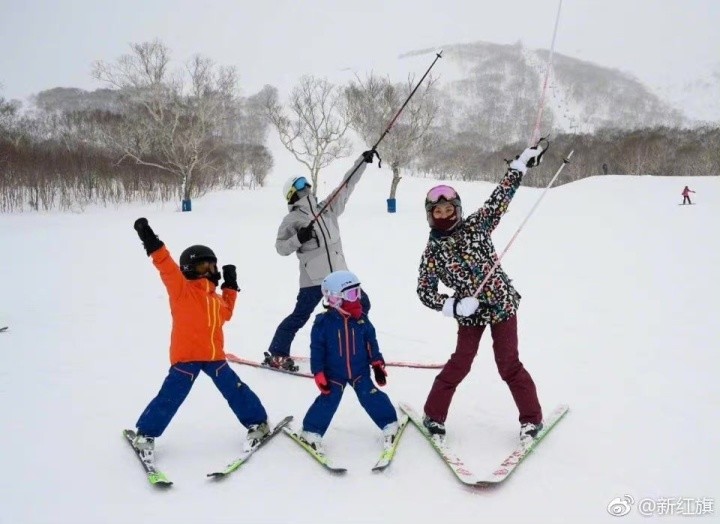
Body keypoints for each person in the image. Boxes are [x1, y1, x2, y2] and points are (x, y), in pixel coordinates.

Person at [416, 144, 548, 444]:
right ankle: (433, 416)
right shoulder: (432, 253)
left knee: (508, 364)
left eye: (449, 209)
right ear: (430, 214)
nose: (444, 214)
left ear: (458, 210)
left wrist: (519, 167)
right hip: (470, 313)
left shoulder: (477, 225)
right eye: (438, 210)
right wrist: (453, 305)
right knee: (460, 362)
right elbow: (424, 291)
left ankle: (531, 420)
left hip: (502, 305)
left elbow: (499, 199)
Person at [130, 217, 270, 460]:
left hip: (215, 358)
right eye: (204, 267)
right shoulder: (181, 291)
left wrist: (231, 286)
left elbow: (226, 312)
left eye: (213, 267)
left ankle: (258, 423)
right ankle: (146, 434)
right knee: (170, 397)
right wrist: (150, 241)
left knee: (236, 390)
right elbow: (166, 266)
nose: (210, 272)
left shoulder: (215, 300)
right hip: (186, 359)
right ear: (189, 270)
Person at [265, 150, 376, 371]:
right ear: (291, 194)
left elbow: (346, 185)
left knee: (362, 305)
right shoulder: (292, 219)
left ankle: (352, 348)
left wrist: (361, 161)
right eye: (299, 184)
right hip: (313, 280)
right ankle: (277, 354)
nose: (306, 186)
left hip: (341, 277)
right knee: (300, 316)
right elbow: (280, 248)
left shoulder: (327, 210)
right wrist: (299, 237)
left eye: (306, 182)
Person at [297, 270, 399, 453]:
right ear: (335, 299)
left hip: (360, 371)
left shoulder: (361, 320)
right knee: (328, 401)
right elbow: (317, 349)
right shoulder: (323, 323)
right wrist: (318, 372)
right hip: (334, 374)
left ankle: (389, 423)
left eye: (358, 292)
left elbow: (371, 342)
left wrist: (376, 363)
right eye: (352, 294)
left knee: (371, 395)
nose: (357, 299)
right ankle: (311, 432)